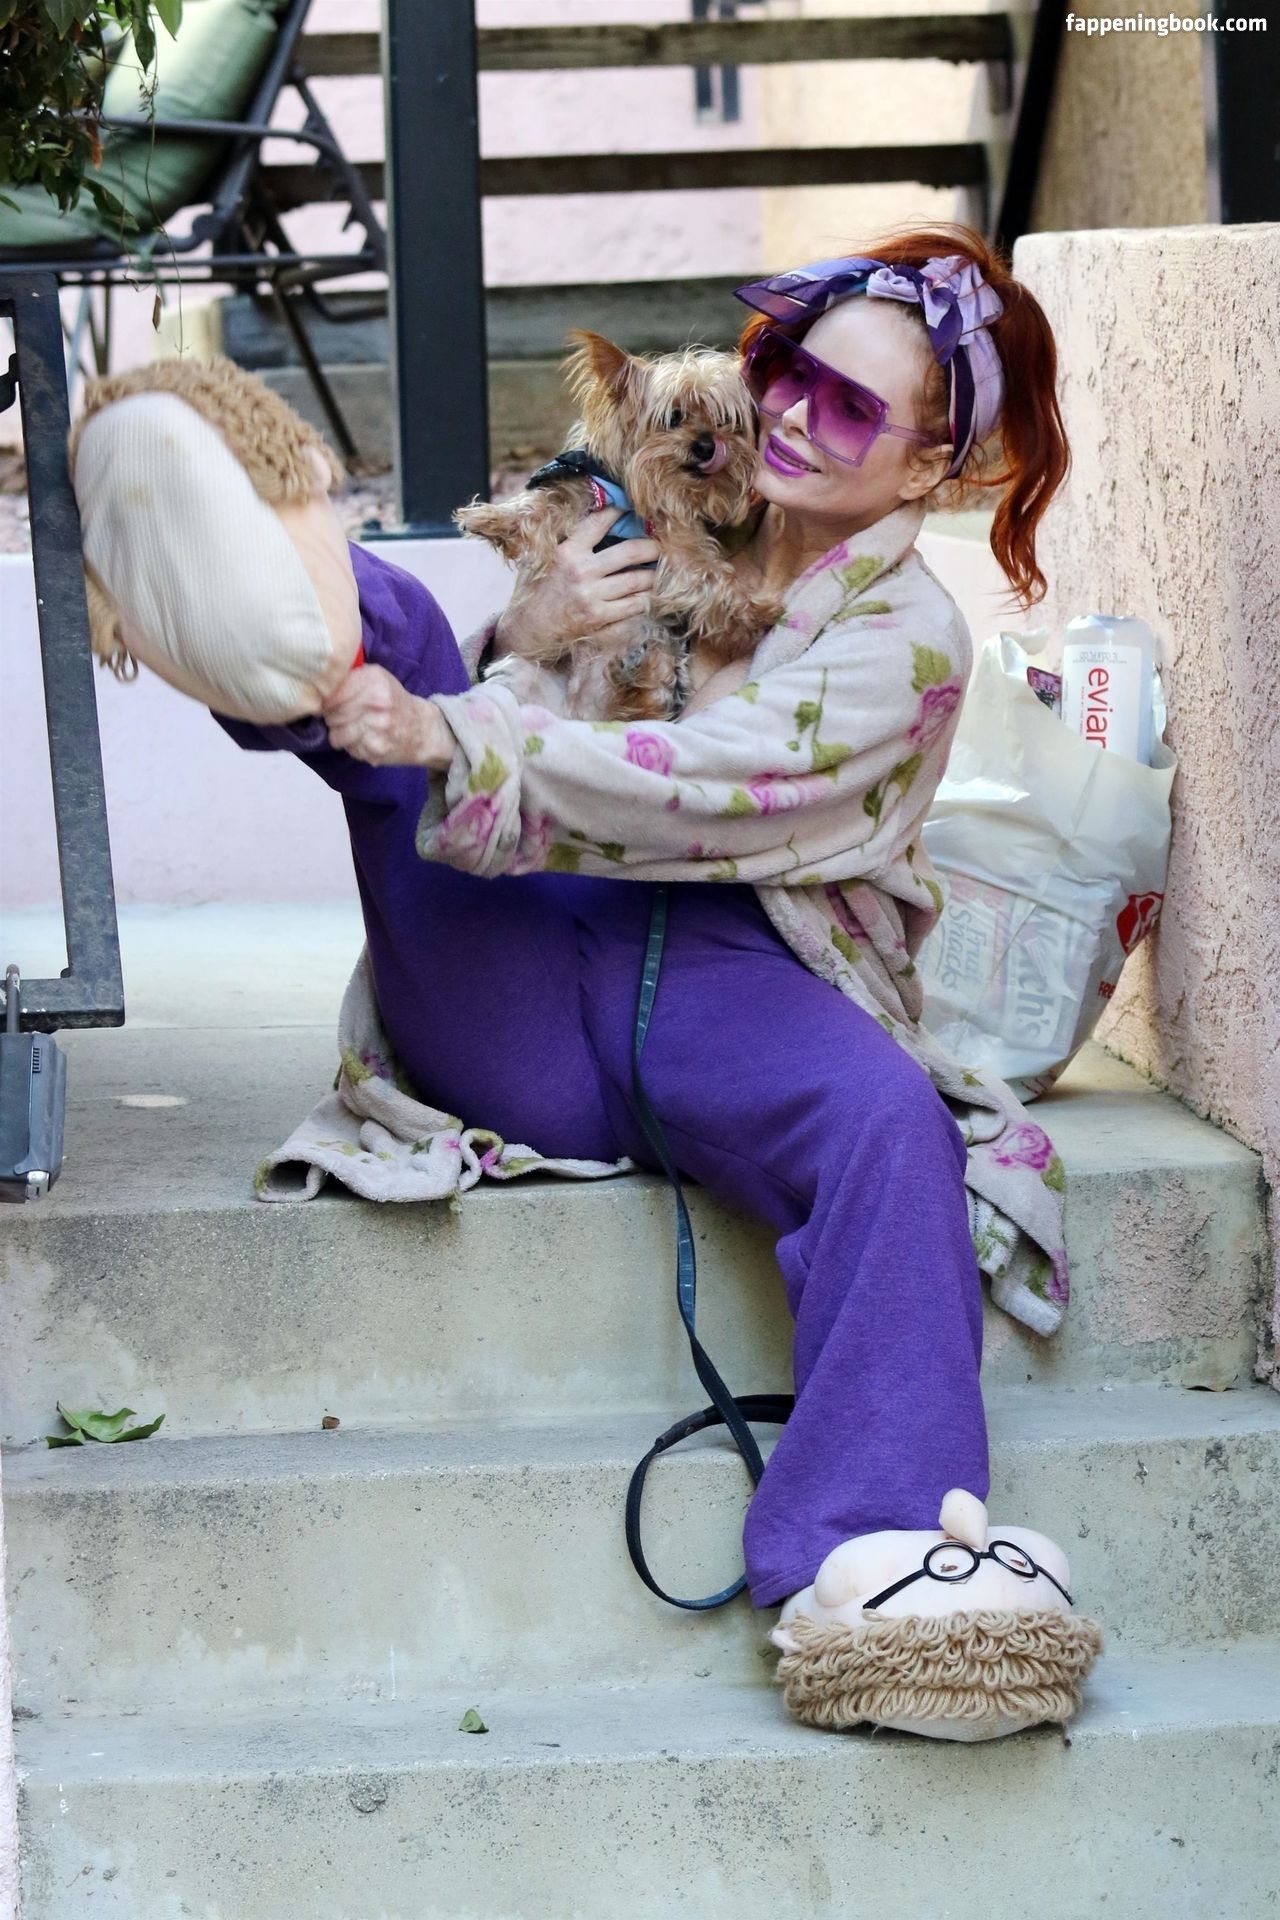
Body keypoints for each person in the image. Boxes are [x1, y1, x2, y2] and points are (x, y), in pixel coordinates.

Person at [216, 222, 1073, 1709]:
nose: (793, 415)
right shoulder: (670, 517)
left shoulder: (912, 640)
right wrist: (520, 634)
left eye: (852, 408)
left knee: (890, 1124)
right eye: (792, 373)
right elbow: (486, 704)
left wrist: (456, 733)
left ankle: (873, 1564)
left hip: (750, 981)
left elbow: (712, 783)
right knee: (405, 624)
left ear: (931, 465)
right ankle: (216, 606)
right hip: (522, 966)